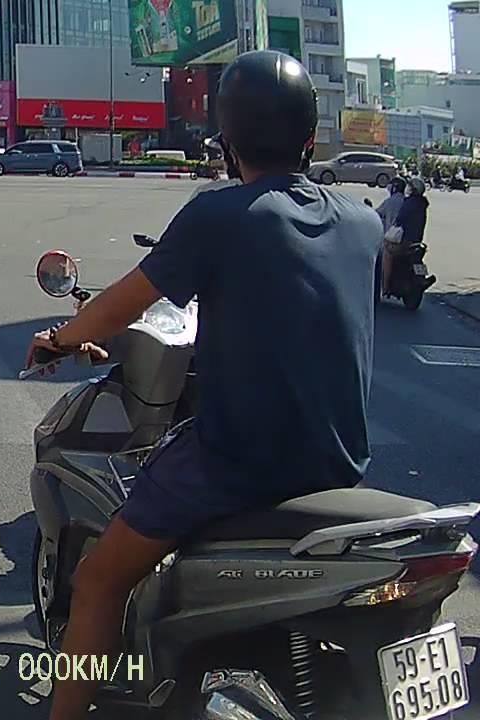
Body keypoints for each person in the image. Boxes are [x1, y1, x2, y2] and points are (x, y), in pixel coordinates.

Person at [27, 50, 380, 720]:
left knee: (98, 579)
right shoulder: (363, 224)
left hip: (236, 465)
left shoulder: (221, 215)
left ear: (227, 143)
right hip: (339, 465)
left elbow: (120, 306)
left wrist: (60, 339)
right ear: (311, 138)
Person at [377, 177, 408, 293]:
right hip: (409, 239)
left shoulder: (390, 201)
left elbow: (377, 213)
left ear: (394, 188)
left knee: (385, 257)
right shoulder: (407, 201)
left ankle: (385, 288)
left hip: (394, 239)